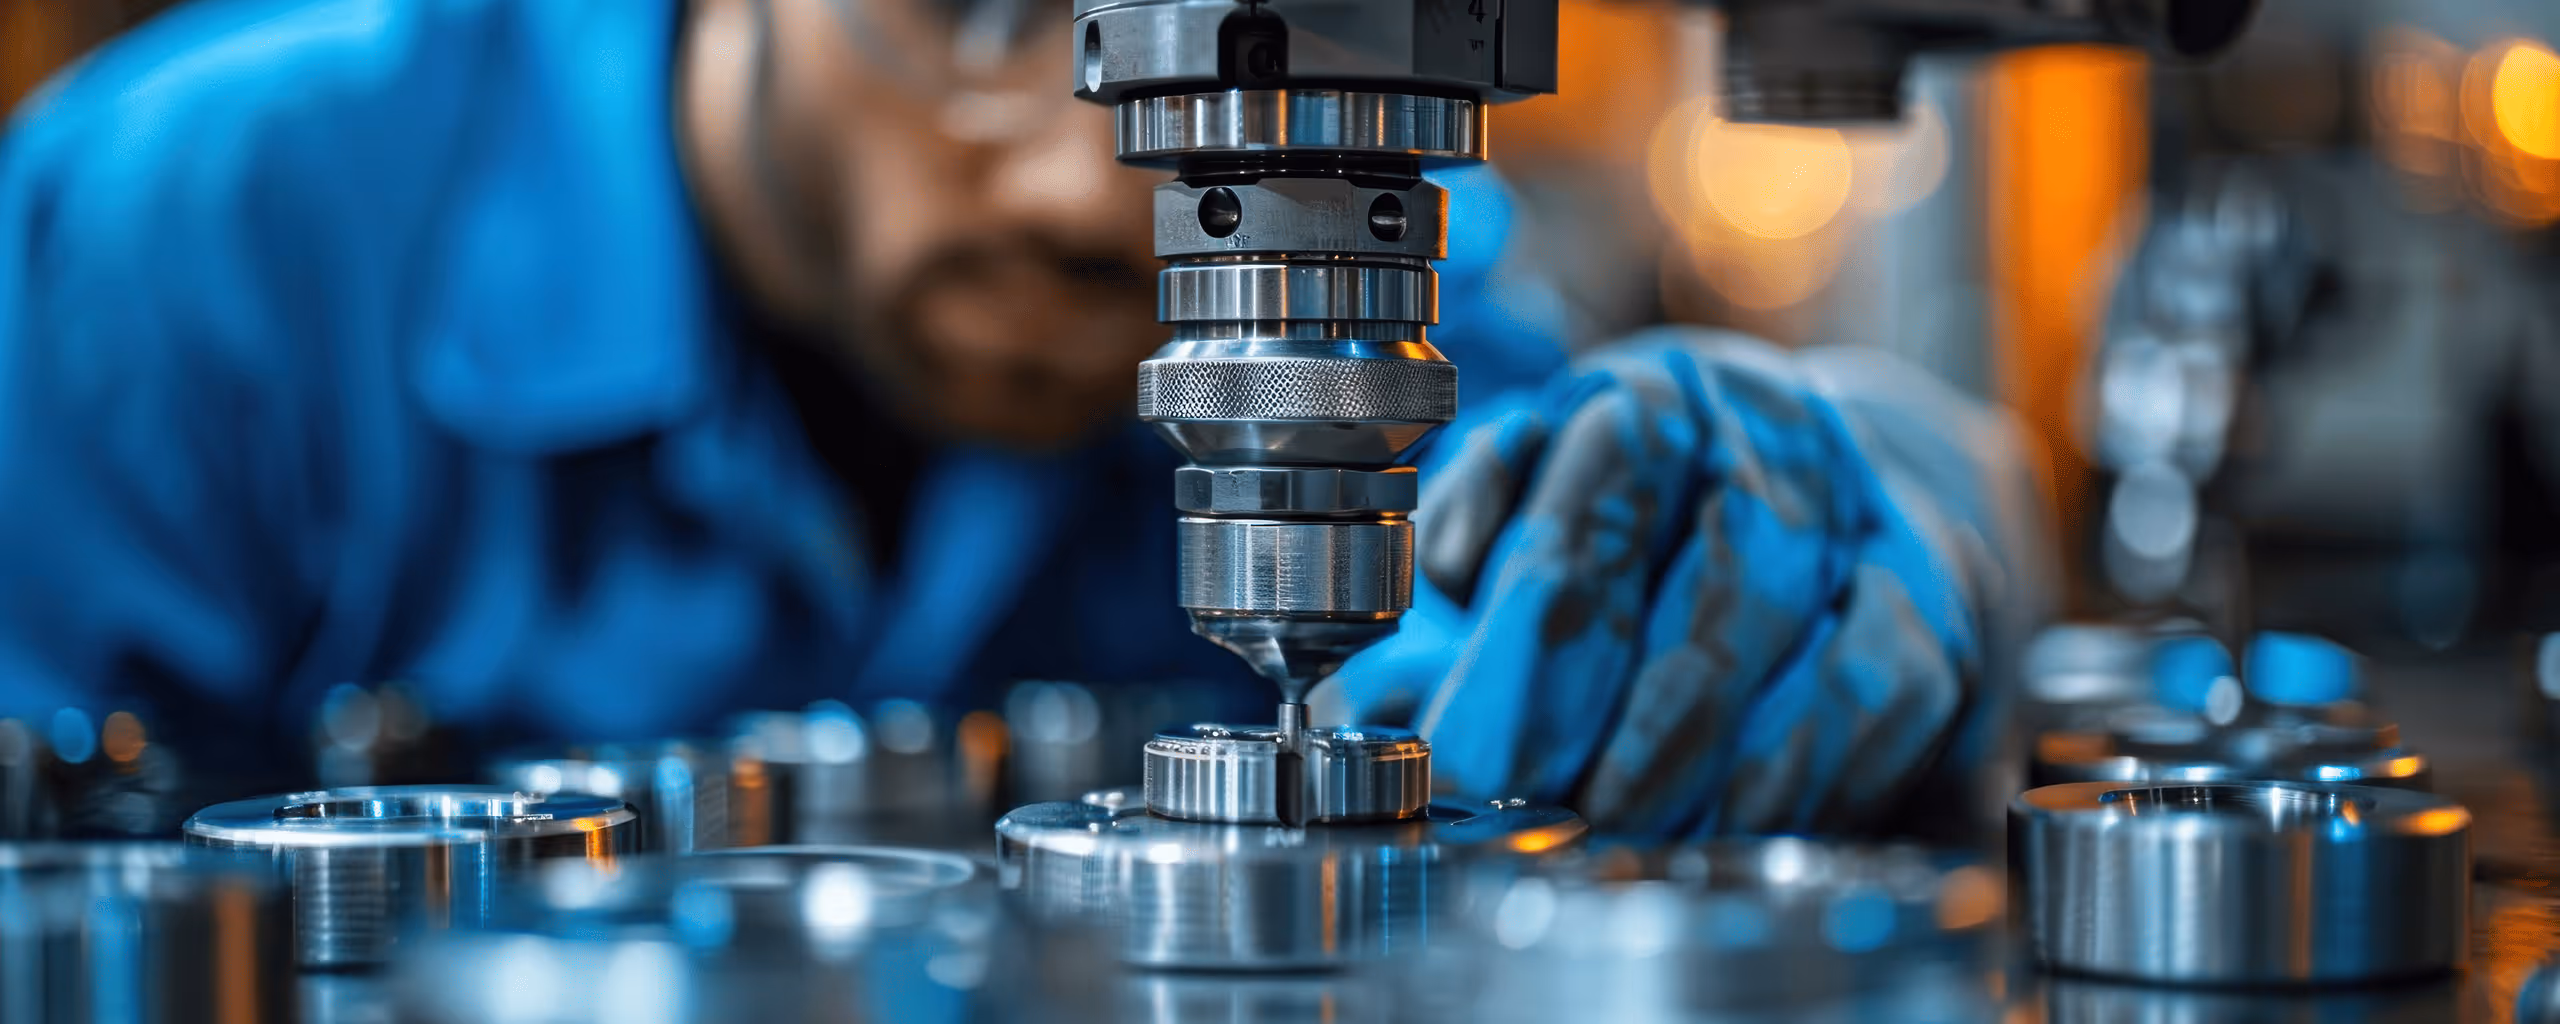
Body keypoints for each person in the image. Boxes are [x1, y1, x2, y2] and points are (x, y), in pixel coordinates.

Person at [0, 0, 2046, 837]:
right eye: (981, 11)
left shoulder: (1347, 255)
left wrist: (1905, 502)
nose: (1094, 192)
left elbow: (1723, 519)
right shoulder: (193, 244)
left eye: (1197, 76)